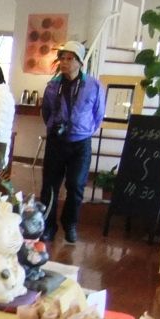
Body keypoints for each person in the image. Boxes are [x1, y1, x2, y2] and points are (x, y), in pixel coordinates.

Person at [39, 40, 105, 243]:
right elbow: (46, 112)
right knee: (50, 186)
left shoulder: (93, 85)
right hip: (56, 141)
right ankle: (48, 227)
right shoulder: (53, 86)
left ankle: (70, 224)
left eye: (70, 59)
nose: (65, 62)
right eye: (62, 58)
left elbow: (98, 114)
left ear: (80, 62)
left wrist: (83, 129)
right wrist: (55, 127)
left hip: (81, 143)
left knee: (76, 185)